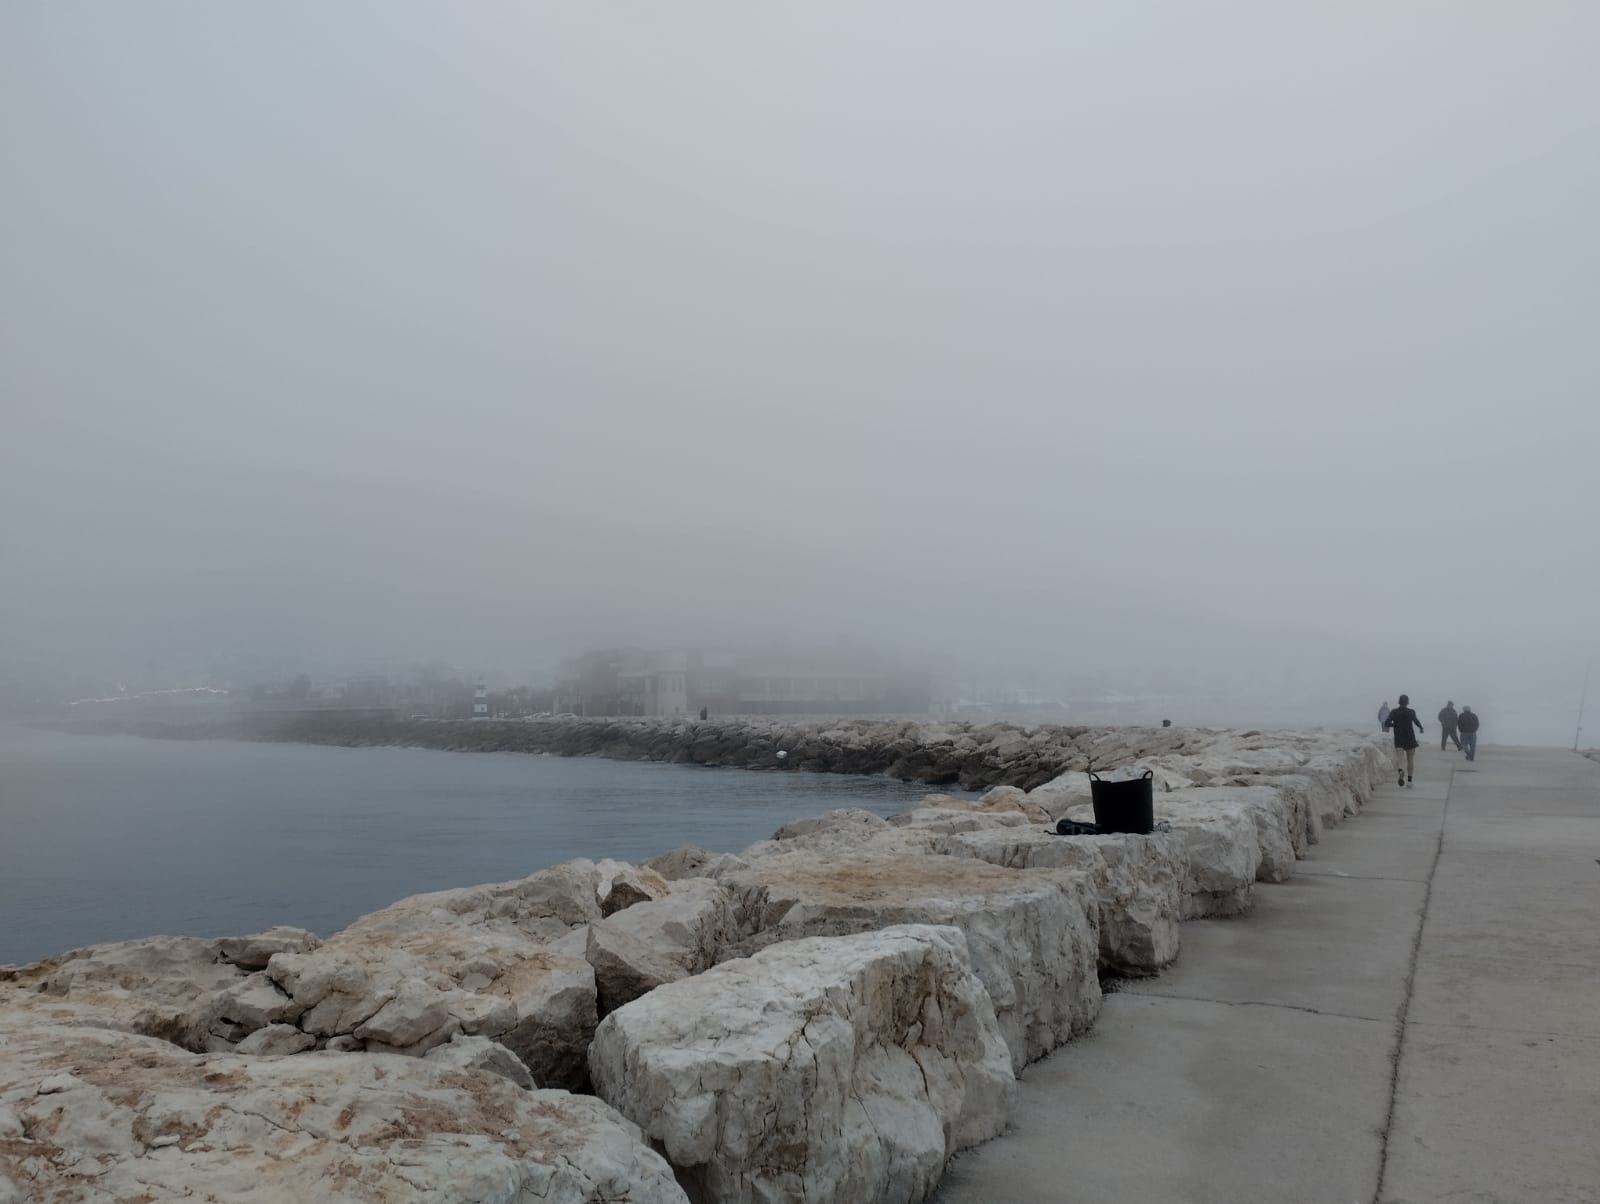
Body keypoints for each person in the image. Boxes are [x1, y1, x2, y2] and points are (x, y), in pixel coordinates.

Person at [1383, 693, 1425, 787]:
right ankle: (1409, 782)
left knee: (1400, 758)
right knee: (1410, 759)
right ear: (1407, 702)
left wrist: (1395, 725)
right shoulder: (1411, 712)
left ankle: (1401, 771)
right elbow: (1416, 721)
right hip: (1410, 737)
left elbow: (1386, 723)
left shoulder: (1394, 712)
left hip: (1399, 738)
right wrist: (1421, 728)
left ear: (1399, 702)